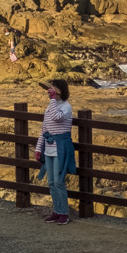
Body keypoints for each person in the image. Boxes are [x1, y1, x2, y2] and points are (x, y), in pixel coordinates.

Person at [34, 78, 76, 224]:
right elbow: (44, 129)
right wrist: (39, 148)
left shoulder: (66, 107)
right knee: (51, 182)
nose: (49, 90)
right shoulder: (50, 106)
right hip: (49, 147)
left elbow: (56, 117)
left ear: (60, 91)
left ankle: (64, 213)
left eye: (53, 88)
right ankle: (56, 211)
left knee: (59, 182)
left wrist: (52, 100)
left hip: (61, 147)